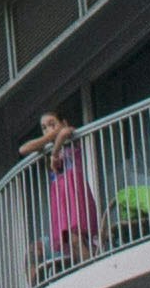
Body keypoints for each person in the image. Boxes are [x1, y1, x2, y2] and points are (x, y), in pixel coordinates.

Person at [29, 108, 101, 273]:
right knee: (70, 240)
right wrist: (48, 139)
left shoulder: (69, 138)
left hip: (74, 193)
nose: (48, 130)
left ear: (63, 122)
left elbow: (64, 133)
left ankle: (91, 271)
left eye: (52, 124)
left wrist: (54, 154)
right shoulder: (49, 146)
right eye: (44, 127)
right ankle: (84, 268)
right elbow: (23, 149)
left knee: (76, 238)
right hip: (61, 200)